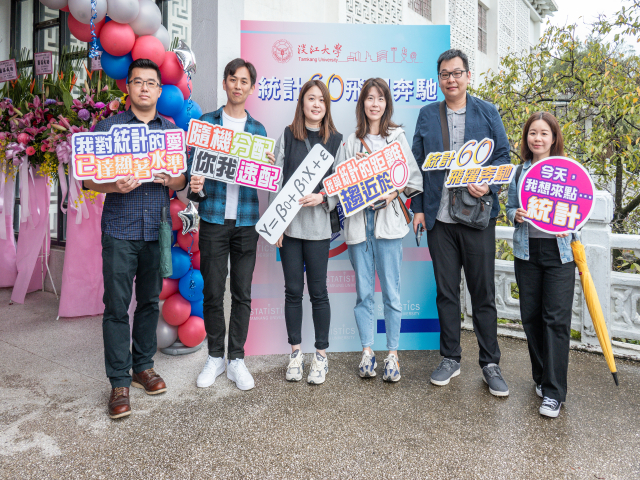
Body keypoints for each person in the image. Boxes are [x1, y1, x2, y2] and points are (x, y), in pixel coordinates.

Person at [84, 59, 187, 419]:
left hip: (155, 230)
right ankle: (118, 382)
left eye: (151, 83)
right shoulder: (108, 128)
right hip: (119, 230)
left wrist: (170, 179)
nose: (144, 88)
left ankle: (143, 366)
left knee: (148, 302)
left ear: (159, 90)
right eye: (138, 82)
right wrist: (114, 185)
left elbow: (181, 179)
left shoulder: (170, 131)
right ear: (128, 88)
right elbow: (88, 179)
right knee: (116, 307)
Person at [411, 49, 511, 396]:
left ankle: (490, 363)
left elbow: (502, 156)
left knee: (483, 293)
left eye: (456, 73)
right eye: (444, 74)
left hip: (477, 217)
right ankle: (450, 357)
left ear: (468, 76)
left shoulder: (487, 112)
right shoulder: (427, 115)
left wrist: (490, 184)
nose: (451, 79)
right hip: (439, 219)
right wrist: (418, 208)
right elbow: (417, 164)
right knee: (446, 292)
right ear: (439, 79)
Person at [188, 58, 273, 391]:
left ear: (251, 88)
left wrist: (267, 168)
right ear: (224, 83)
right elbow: (192, 170)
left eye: (244, 81)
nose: (238, 85)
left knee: (242, 292)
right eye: (233, 79)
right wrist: (194, 184)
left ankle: (236, 358)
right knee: (212, 291)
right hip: (212, 218)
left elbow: (265, 179)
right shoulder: (206, 124)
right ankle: (215, 356)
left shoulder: (258, 131)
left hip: (246, 221)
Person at [339, 78, 423, 382]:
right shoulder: (351, 141)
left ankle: (392, 354)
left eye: (380, 98)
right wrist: (354, 172)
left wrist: (392, 192)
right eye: (369, 98)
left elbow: (413, 179)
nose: (375, 104)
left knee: (391, 292)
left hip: (388, 223)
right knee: (364, 293)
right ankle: (367, 351)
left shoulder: (396, 138)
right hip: (359, 224)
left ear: (387, 104)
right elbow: (337, 185)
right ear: (362, 103)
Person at [270, 80, 344, 385]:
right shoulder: (287, 136)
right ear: (302, 103)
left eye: (321, 100)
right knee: (292, 291)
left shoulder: (336, 141)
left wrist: (324, 197)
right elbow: (275, 179)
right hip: (289, 228)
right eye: (311, 99)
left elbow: (342, 183)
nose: (316, 104)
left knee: (318, 292)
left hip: (318, 228)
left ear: (327, 106)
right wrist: (276, 223)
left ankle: (321, 356)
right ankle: (296, 354)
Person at [506, 112, 576, 418]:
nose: (538, 138)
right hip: (527, 253)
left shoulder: (568, 171)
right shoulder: (519, 172)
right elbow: (509, 207)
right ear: (526, 138)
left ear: (554, 138)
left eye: (544, 133)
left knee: (555, 321)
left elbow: (580, 211)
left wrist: (569, 224)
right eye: (532, 133)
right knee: (531, 317)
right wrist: (516, 215)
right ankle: (542, 377)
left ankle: (554, 392)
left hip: (560, 255)